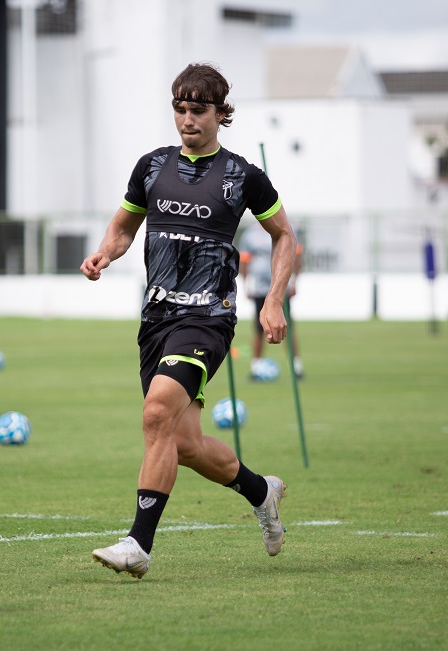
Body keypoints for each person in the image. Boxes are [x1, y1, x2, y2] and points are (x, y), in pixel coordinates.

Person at [80, 63, 297, 577]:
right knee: (184, 444)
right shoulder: (151, 167)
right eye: (179, 108)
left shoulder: (242, 174)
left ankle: (138, 544)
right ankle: (261, 490)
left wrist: (273, 300)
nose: (187, 119)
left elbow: (285, 236)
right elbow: (123, 227)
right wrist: (103, 255)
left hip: (207, 319)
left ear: (222, 114)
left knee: (157, 413)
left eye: (198, 110)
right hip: (156, 318)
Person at [239, 224, 303, 378]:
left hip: (281, 289)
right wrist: (246, 284)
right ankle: (256, 367)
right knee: (258, 328)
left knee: (287, 326)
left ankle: (296, 367)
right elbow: (244, 261)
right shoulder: (250, 234)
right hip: (260, 289)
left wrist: (294, 281)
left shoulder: (286, 229)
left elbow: (296, 256)